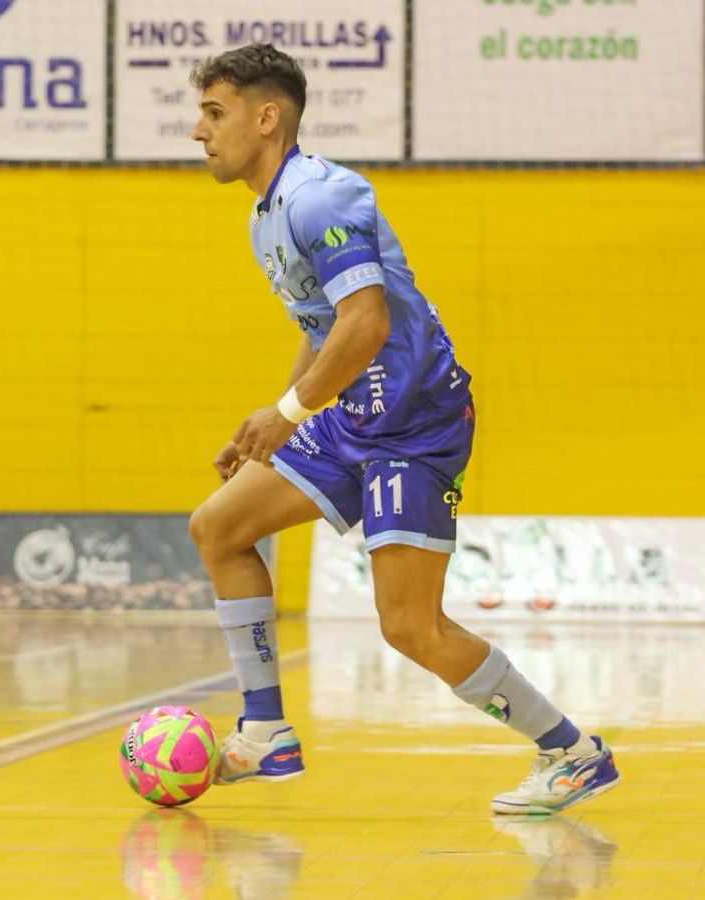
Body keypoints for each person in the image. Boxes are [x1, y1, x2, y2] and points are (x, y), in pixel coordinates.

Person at [185, 44, 620, 815]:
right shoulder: (267, 213)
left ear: (265, 116)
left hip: (415, 422)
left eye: (214, 113)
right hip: (352, 414)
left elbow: (367, 319)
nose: (198, 131)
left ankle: (571, 752)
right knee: (219, 527)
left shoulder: (322, 197)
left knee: (410, 627)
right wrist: (276, 420)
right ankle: (265, 731)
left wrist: (287, 414)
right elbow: (324, 328)